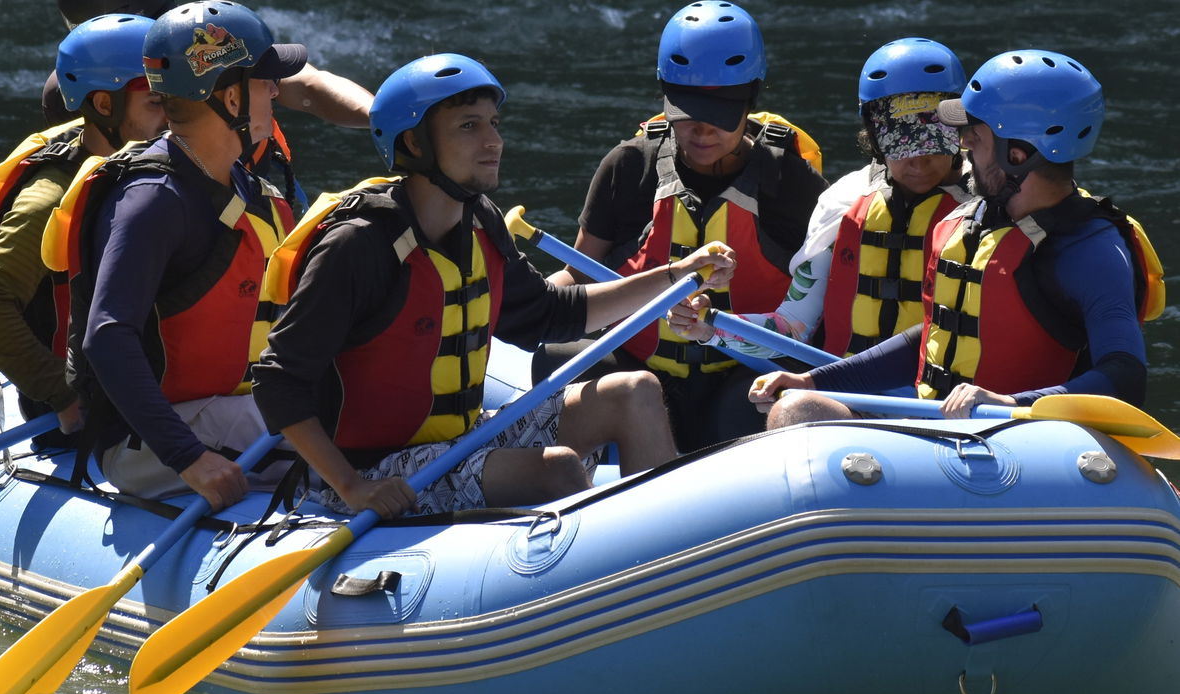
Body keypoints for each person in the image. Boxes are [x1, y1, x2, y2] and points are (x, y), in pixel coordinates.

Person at [251, 54, 735, 520]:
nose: (493, 141)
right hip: (373, 467)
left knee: (636, 391)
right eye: (469, 126)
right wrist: (352, 486)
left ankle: (664, 546)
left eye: (493, 123)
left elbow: (552, 311)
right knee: (559, 468)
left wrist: (677, 274)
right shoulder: (358, 246)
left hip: (462, 437)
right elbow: (277, 380)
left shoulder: (479, 221)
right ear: (415, 144)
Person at [749, 49, 1164, 428]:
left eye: (975, 136)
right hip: (932, 421)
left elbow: (1124, 375)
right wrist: (814, 379)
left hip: (1019, 440)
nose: (961, 145)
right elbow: (930, 335)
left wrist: (1012, 403)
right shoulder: (963, 224)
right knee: (796, 408)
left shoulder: (1090, 248)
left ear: (1017, 154)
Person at [534, 1, 828, 452]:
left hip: (742, 374)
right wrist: (521, 302)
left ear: (750, 99)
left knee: (755, 410)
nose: (702, 129)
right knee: (550, 361)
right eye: (687, 109)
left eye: (722, 110)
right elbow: (579, 271)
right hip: (640, 364)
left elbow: (818, 304)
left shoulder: (790, 184)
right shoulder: (629, 166)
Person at [51, 1, 303, 508]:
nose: (275, 90)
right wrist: (189, 458)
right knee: (335, 442)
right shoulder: (153, 200)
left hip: (224, 408)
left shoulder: (241, 184)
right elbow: (108, 336)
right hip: (151, 442)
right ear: (230, 98)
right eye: (263, 81)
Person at [669, 37, 973, 360]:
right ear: (874, 138)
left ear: (959, 132)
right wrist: (709, 327)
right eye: (902, 145)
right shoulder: (844, 202)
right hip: (852, 397)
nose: (918, 162)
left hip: (952, 403)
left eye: (932, 142)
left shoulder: (993, 203)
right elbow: (792, 326)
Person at [0, 14, 166, 447]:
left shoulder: (141, 160)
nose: (174, 118)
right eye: (156, 104)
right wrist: (62, 392)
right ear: (105, 106)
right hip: (86, 401)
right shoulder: (49, 199)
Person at [44, 0, 375, 209]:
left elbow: (307, 83)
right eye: (156, 97)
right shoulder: (82, 89)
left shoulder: (195, 41)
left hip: (252, 192)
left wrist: (382, 117)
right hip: (183, 207)